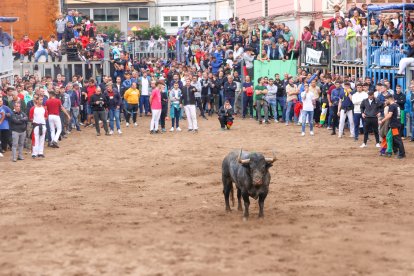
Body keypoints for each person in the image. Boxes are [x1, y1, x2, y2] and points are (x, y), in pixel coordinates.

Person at [379, 95, 406, 159]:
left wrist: (382, 120)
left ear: (389, 99)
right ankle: (390, 151)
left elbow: (389, 115)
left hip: (395, 125)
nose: (385, 101)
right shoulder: (397, 105)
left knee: (397, 139)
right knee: (389, 136)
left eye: (386, 100)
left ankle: (402, 154)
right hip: (396, 124)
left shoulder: (392, 106)